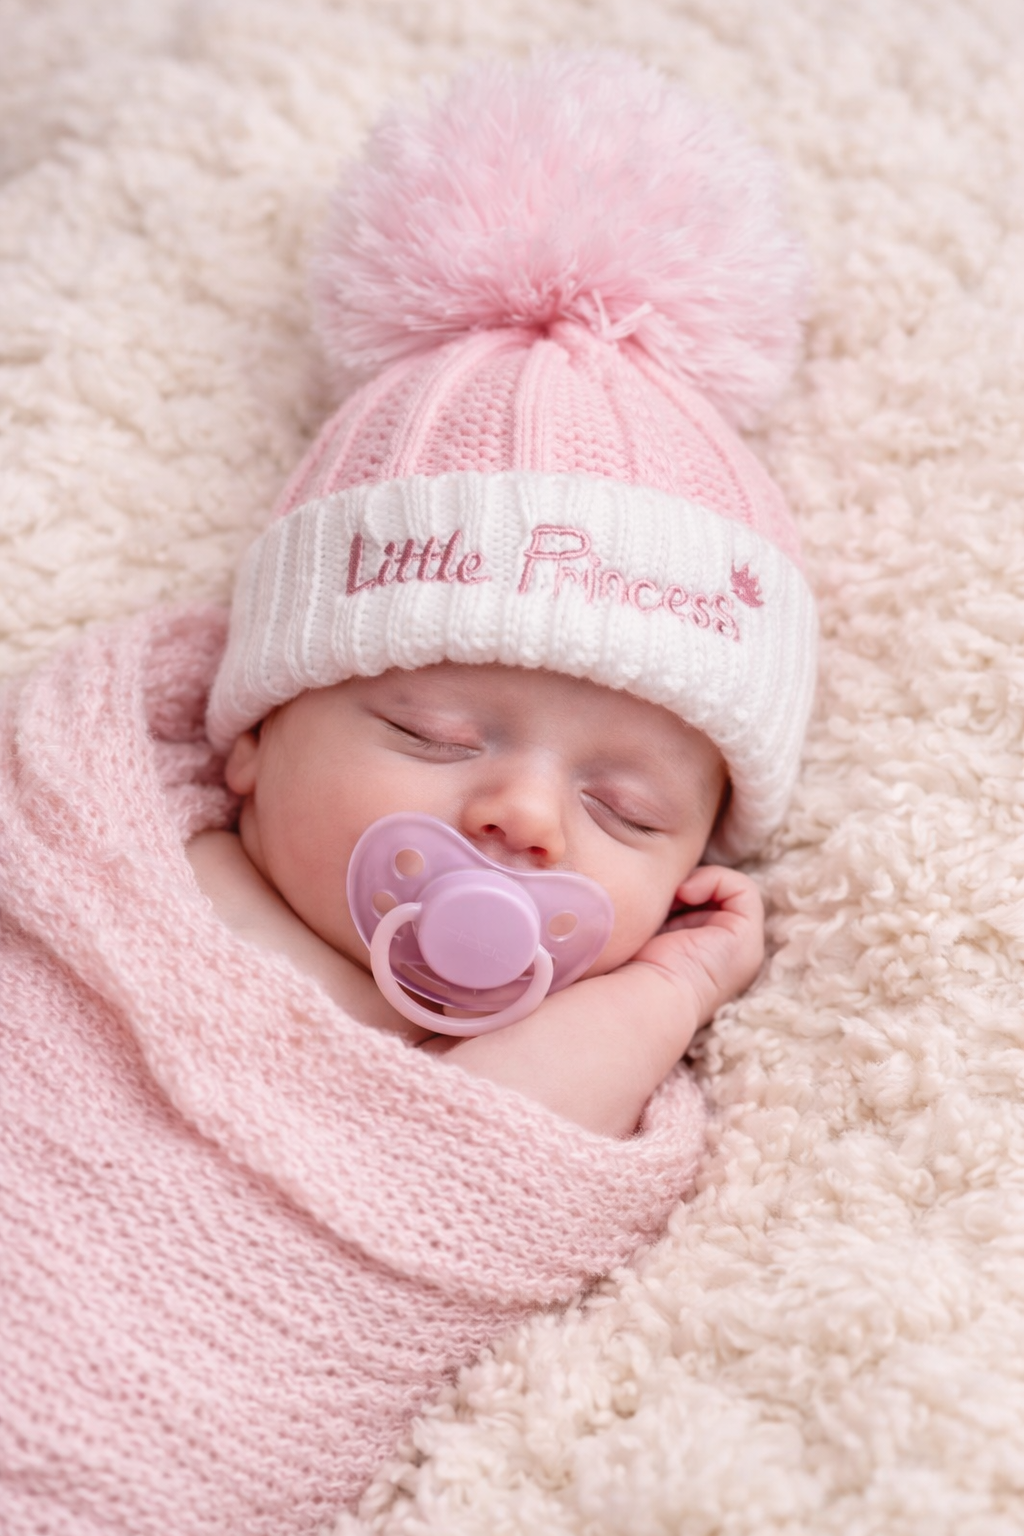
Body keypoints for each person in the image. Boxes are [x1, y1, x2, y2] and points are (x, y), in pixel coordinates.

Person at [0, 51, 816, 1534]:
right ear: (251, 737)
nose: (524, 818)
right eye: (432, 731)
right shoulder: (110, 860)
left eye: (627, 811)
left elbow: (503, 1156)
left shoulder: (497, 1057)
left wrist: (677, 984)